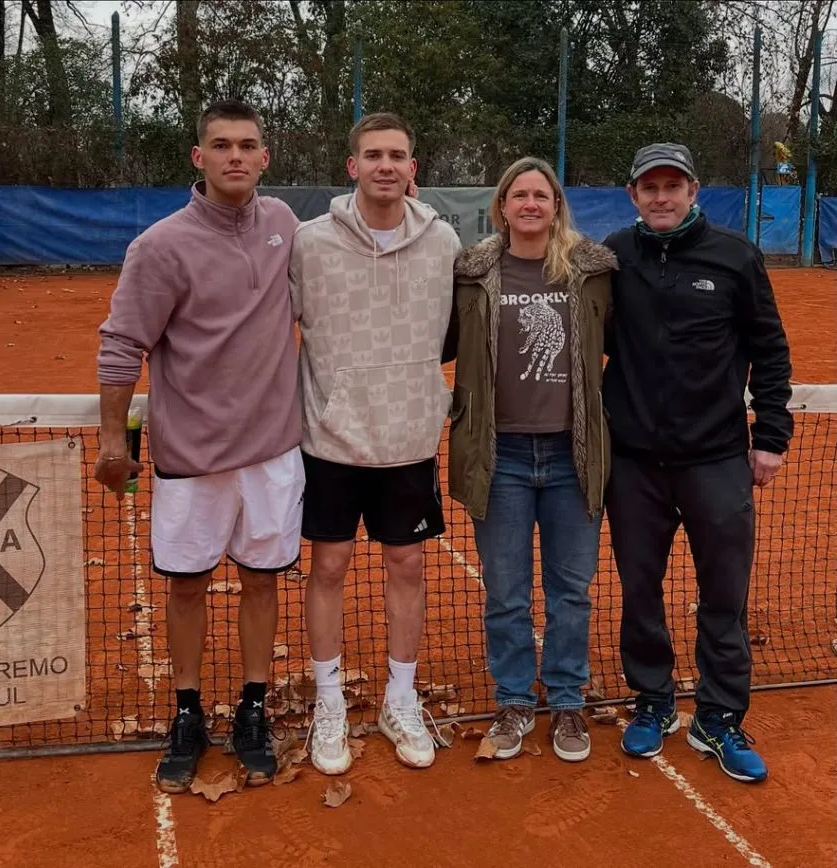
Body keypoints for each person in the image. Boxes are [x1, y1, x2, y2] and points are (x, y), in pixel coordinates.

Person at [95, 99, 304, 793]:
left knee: (260, 578)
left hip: (272, 450)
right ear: (199, 157)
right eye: (221, 145)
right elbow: (123, 344)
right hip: (190, 455)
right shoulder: (159, 246)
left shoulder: (282, 225)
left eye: (248, 144)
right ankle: (187, 711)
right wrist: (113, 441)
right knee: (185, 585)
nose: (235, 156)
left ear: (265, 157)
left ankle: (251, 708)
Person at [604, 143, 793, 783]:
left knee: (724, 596)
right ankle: (652, 701)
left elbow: (769, 351)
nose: (660, 196)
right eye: (648, 187)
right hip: (632, 465)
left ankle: (719, 717)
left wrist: (769, 436)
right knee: (640, 591)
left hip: (717, 460)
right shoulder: (613, 258)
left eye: (672, 185)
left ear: (693, 190)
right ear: (633, 195)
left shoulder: (736, 257)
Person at [290, 112, 461, 774]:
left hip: (410, 440)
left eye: (398, 154)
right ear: (352, 166)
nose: (385, 164)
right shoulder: (309, 243)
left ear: (413, 169)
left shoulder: (444, 242)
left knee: (408, 568)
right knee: (328, 568)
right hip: (330, 442)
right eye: (373, 154)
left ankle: (399, 697)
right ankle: (329, 702)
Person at [444, 157, 617, 762]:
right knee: (506, 592)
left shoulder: (593, 273)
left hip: (575, 455)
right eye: (519, 195)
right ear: (503, 206)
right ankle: (515, 700)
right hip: (502, 455)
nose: (530, 205)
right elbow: (435, 341)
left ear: (556, 205)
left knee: (572, 591)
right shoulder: (471, 273)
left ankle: (568, 701)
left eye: (541, 195)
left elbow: (625, 347)